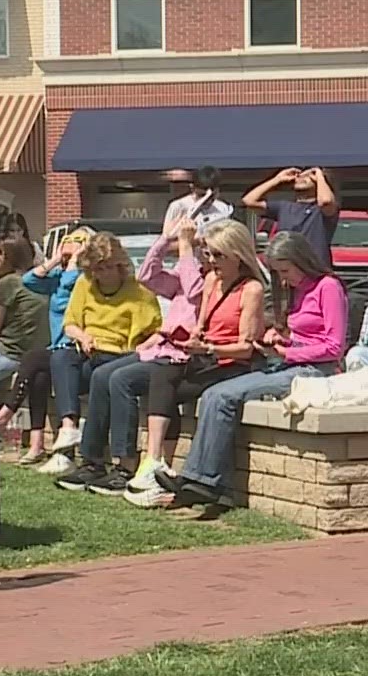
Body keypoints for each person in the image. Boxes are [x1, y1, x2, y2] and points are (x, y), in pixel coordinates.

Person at [152, 231, 348, 512]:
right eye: (277, 272)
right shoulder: (296, 290)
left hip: (317, 371)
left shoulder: (328, 287)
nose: (283, 278)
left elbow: (334, 346)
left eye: (285, 270)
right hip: (290, 362)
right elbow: (301, 334)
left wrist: (289, 352)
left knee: (223, 397)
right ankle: (196, 479)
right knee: (213, 394)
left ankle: (204, 481)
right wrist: (276, 338)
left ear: (301, 261)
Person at [124, 218, 270, 502]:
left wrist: (208, 348)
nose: (211, 261)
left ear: (238, 255)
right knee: (161, 375)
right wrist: (192, 336)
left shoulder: (251, 289)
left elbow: (246, 347)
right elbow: (201, 323)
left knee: (168, 391)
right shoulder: (212, 280)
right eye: (208, 253)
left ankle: (160, 468)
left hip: (230, 363)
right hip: (204, 356)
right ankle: (155, 461)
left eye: (218, 255)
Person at [49, 233, 163, 491]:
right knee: (59, 356)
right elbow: (70, 324)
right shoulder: (84, 285)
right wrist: (84, 336)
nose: (105, 273)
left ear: (120, 265)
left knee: (106, 377)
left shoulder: (139, 293)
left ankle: (113, 463)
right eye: (99, 268)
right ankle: (70, 428)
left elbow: (158, 332)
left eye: (109, 266)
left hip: (122, 353)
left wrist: (143, 345)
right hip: (89, 350)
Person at [12, 227, 88, 466]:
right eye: (68, 241)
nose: (70, 245)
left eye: (77, 241)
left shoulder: (83, 278)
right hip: (58, 351)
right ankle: (37, 445)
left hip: (76, 350)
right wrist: (56, 259)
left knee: (33, 359)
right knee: (40, 376)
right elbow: (28, 280)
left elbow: (68, 294)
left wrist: (75, 261)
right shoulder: (57, 277)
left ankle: (3, 415)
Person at [0, 237, 48, 390]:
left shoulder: (8, 282)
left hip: (9, 355)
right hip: (37, 355)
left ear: (5, 257)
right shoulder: (41, 279)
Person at [243, 165, 341, 267]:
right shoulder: (284, 207)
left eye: (309, 176)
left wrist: (320, 175)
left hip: (315, 272)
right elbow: (249, 200)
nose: (301, 177)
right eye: (299, 175)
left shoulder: (322, 210)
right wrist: (277, 179)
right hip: (286, 271)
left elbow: (326, 201)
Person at [162, 166, 234, 232]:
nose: (207, 201)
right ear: (192, 188)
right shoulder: (178, 206)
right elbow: (167, 240)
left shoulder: (223, 208)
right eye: (202, 196)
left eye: (211, 197)